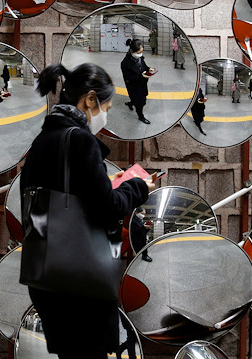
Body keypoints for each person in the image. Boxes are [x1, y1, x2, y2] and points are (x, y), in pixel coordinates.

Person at [20, 62, 153, 359]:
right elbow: (107, 207)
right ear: (90, 99)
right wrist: (139, 186)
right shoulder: (79, 140)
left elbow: (69, 197)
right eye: (106, 105)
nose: (105, 115)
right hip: (79, 280)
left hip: (46, 275)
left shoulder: (43, 141)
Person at [121, 39, 154, 125]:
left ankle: (130, 103)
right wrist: (141, 76)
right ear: (132, 51)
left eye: (141, 52)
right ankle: (141, 116)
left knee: (140, 97)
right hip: (134, 86)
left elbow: (143, 65)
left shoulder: (139, 57)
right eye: (138, 52)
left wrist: (148, 69)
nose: (140, 54)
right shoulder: (125, 63)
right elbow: (128, 78)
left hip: (142, 83)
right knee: (140, 103)